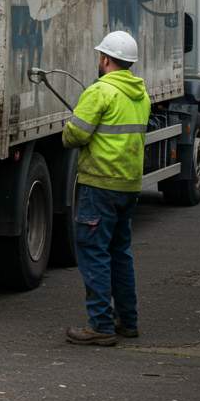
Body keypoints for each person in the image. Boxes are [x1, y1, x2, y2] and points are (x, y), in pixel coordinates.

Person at [62, 31, 150, 346]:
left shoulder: (100, 92)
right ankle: (128, 321)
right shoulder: (141, 94)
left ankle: (100, 325)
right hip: (128, 185)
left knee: (94, 253)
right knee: (120, 254)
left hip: (99, 185)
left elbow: (76, 136)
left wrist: (68, 127)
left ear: (105, 59)